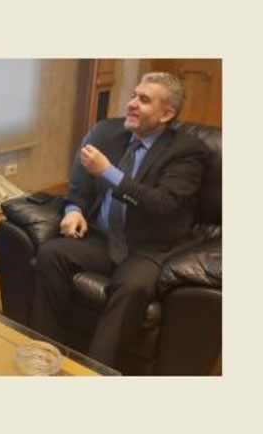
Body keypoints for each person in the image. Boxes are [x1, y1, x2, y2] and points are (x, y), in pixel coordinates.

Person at [31, 72, 208, 368]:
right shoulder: (107, 133)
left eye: (144, 100)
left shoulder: (186, 150)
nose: (132, 104)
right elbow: (80, 185)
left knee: (131, 289)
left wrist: (108, 172)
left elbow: (163, 204)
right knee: (52, 253)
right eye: (133, 95)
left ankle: (95, 372)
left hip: (148, 247)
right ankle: (46, 354)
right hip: (103, 239)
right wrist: (73, 209)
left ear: (166, 114)